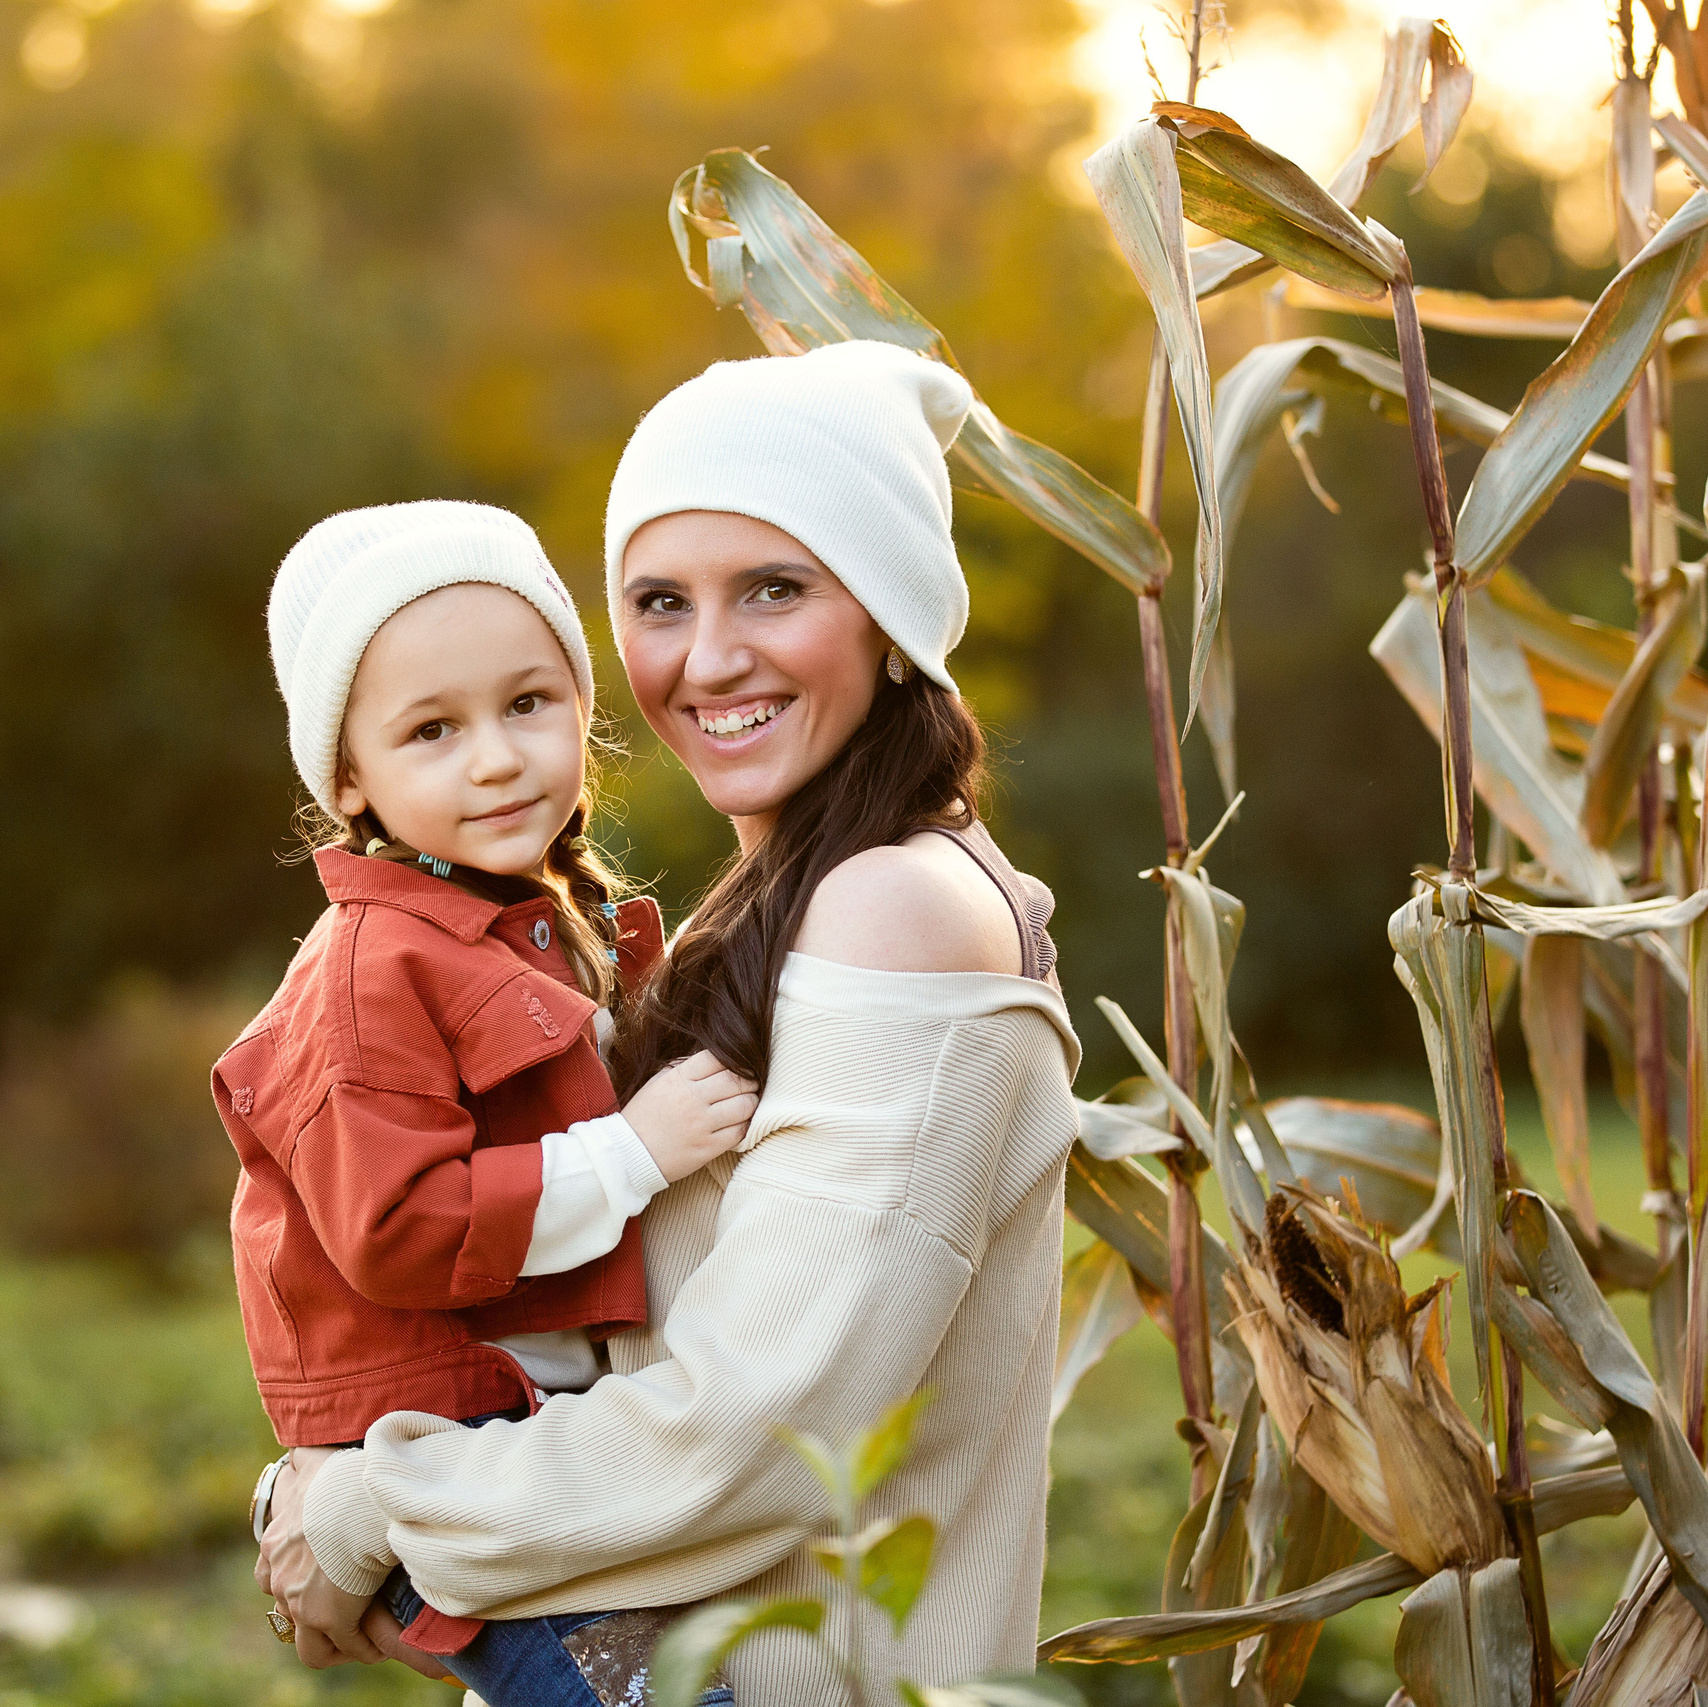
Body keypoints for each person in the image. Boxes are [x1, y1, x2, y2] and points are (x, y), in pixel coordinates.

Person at [257, 344, 1082, 1705]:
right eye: (658, 599)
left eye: (775, 586)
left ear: (888, 610)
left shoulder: (901, 909)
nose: (707, 656)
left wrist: (365, 1504)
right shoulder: (777, 902)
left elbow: (756, 1432)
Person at [219, 500, 755, 1702]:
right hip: (436, 1464)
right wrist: (631, 1154)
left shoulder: (544, 919)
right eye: (431, 731)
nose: (499, 757)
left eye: (528, 703)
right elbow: (399, 1224)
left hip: (524, 1450)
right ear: (351, 777)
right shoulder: (371, 971)